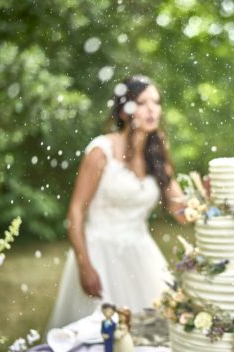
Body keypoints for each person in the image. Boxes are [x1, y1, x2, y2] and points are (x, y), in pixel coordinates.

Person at [47, 75, 186, 330]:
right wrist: (84, 265)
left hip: (142, 254)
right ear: (124, 111)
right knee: (100, 336)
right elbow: (76, 213)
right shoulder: (101, 151)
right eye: (142, 102)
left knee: (157, 330)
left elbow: (182, 212)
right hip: (100, 253)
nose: (152, 109)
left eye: (156, 102)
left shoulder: (156, 154)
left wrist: (206, 196)